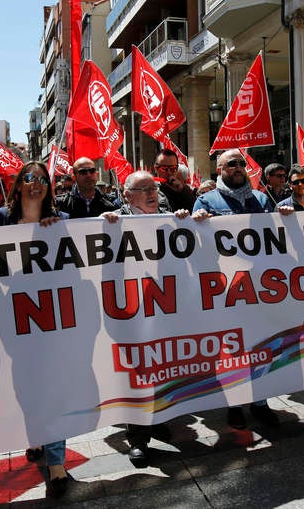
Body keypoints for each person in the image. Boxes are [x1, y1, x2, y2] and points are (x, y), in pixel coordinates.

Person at [0, 161, 74, 499]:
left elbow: (75, 266)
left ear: (48, 187)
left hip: (51, 318)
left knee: (50, 387)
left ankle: (56, 461)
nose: (35, 184)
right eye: (28, 178)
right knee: (25, 386)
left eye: (41, 179)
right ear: (18, 185)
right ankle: (35, 436)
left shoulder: (61, 220)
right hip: (14, 317)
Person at [192, 149, 283, 429]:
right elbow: (194, 246)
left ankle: (260, 402)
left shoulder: (261, 200)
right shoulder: (206, 201)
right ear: (219, 169)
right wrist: (197, 224)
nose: (238, 167)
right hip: (226, 290)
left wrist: (286, 217)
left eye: (241, 163)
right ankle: (234, 404)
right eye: (232, 164)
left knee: (262, 345)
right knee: (232, 350)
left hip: (260, 288)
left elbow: (278, 237)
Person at [102, 170, 188, 464]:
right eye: (144, 189)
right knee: (138, 374)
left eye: (154, 188)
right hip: (131, 310)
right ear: (127, 196)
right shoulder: (114, 220)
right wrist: (104, 225)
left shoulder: (168, 217)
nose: (153, 193)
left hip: (163, 306)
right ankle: (138, 438)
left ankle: (158, 419)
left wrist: (189, 221)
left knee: (162, 368)